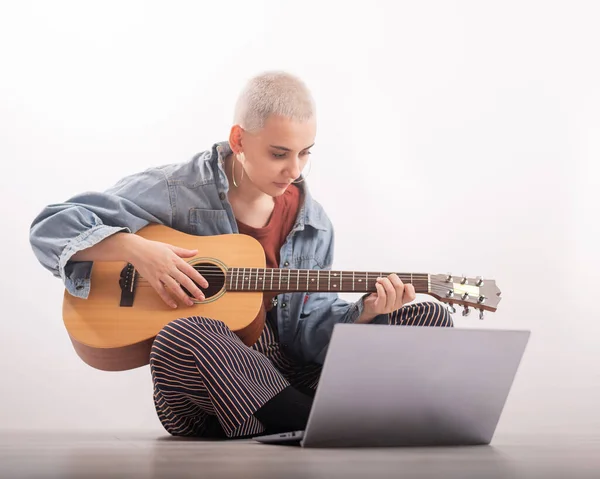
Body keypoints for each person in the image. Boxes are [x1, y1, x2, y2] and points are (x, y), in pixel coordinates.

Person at [29, 71, 453, 439]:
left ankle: (306, 419)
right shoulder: (176, 190)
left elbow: (309, 337)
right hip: (213, 389)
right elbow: (51, 227)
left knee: (427, 316)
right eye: (279, 154)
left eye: (305, 153)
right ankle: (324, 422)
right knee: (185, 335)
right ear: (239, 140)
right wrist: (137, 249)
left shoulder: (313, 222)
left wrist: (364, 313)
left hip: (292, 377)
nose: (295, 171)